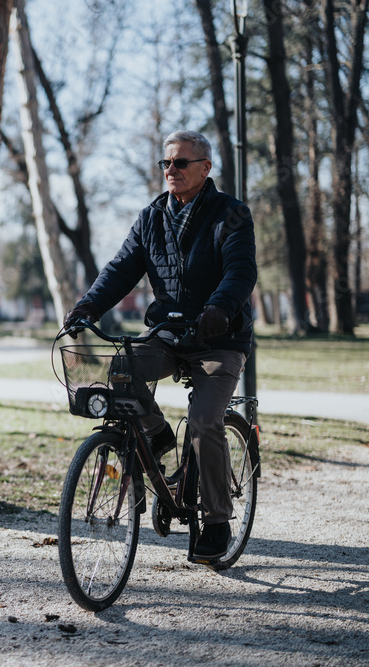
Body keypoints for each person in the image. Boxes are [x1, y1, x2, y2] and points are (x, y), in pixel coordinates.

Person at [64, 130, 256, 560]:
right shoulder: (151, 217)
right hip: (169, 332)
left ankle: (218, 522)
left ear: (205, 169)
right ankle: (159, 437)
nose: (171, 170)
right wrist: (87, 306)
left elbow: (241, 270)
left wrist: (221, 307)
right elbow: (121, 268)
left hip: (220, 337)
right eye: (166, 163)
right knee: (122, 371)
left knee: (206, 420)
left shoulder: (233, 214)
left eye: (180, 163)